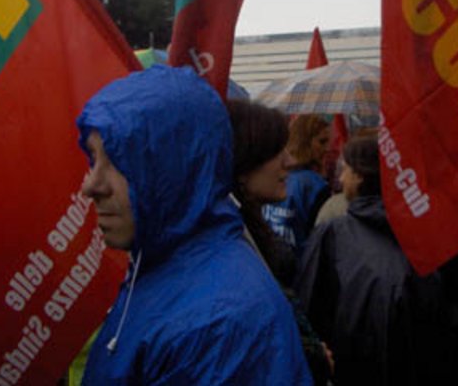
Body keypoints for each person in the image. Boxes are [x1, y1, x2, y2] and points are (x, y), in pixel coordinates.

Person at [77, 65, 311, 385]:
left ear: (172, 167)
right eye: (94, 159)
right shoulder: (160, 263)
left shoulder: (218, 325)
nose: (91, 185)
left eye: (118, 160)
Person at [295, 135, 453, 384]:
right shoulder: (422, 237)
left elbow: (308, 311)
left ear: (359, 175)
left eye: (345, 169)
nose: (341, 178)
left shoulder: (333, 235)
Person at [226, 99, 333, 385]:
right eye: (276, 152)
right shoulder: (233, 246)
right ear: (244, 162)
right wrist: (308, 353)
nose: (289, 161)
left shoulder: (247, 226)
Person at [263, 114, 331, 256]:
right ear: (305, 142)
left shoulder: (270, 177)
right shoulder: (315, 186)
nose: (327, 148)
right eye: (322, 142)